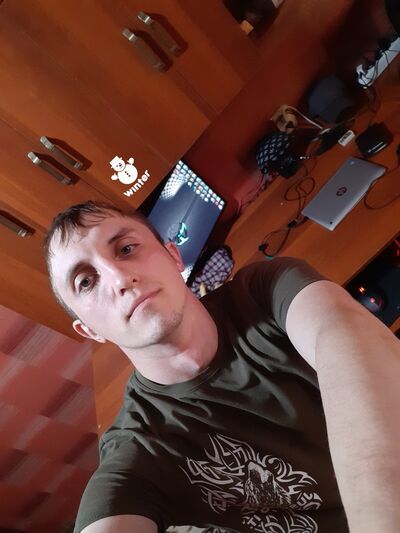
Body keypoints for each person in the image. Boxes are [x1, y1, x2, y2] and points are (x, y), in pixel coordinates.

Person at [44, 200, 400, 533]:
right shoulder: (138, 448)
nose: (120, 279)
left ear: (173, 256)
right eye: (86, 282)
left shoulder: (266, 291)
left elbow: (342, 332)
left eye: (126, 249)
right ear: (89, 330)